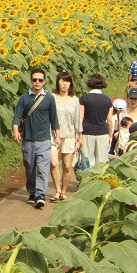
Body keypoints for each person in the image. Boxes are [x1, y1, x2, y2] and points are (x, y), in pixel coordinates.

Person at [12, 68, 60, 209]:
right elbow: (17, 116)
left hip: (44, 140)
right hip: (28, 139)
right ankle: (32, 192)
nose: (37, 82)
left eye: (40, 80)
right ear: (31, 81)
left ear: (44, 81)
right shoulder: (24, 98)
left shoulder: (49, 98)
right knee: (29, 167)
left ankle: (40, 195)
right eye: (34, 79)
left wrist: (57, 136)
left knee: (44, 168)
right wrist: (15, 130)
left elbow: (54, 118)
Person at [49, 71, 82, 202]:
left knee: (67, 166)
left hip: (69, 135)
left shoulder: (74, 100)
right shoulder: (52, 98)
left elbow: (77, 119)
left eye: (67, 81)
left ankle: (64, 190)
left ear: (70, 83)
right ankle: (57, 190)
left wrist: (80, 135)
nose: (65, 84)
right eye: (62, 81)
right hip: (52, 134)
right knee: (53, 163)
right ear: (58, 82)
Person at [79, 74, 114, 167]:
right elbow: (109, 120)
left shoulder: (84, 98)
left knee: (87, 161)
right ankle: (99, 180)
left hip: (87, 132)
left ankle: (86, 180)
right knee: (101, 162)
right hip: (103, 133)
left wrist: (78, 135)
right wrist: (110, 136)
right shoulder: (107, 100)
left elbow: (81, 117)